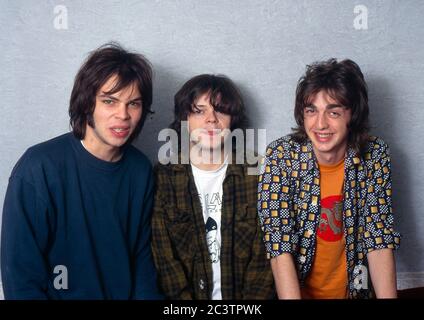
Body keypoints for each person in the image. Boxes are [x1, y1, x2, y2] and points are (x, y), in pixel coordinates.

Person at [1, 43, 162, 299]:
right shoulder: (38, 168)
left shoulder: (140, 170)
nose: (123, 115)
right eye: (110, 101)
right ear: (87, 103)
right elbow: (21, 278)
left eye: (133, 103)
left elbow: (141, 260)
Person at [258, 59, 401, 299]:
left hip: (355, 292)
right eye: (311, 110)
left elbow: (378, 238)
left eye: (333, 112)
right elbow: (278, 243)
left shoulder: (375, 154)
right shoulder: (280, 156)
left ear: (352, 114)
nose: (321, 124)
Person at [152, 74, 274, 299]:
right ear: (184, 119)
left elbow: (265, 263)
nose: (211, 120)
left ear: (232, 120)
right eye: (199, 111)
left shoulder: (258, 172)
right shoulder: (163, 176)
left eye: (220, 110)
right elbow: (164, 262)